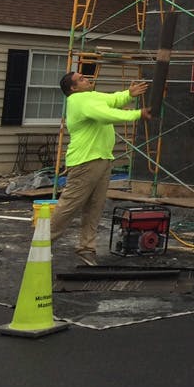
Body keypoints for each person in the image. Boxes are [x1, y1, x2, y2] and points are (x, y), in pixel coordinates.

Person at [51, 72, 151, 265]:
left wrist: (128, 94)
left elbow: (111, 100)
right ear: (73, 88)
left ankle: (86, 248)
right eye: (81, 79)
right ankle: (42, 243)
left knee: (94, 207)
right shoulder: (79, 100)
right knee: (69, 206)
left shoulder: (91, 96)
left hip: (102, 159)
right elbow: (105, 115)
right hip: (85, 161)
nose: (86, 79)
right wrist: (136, 114)